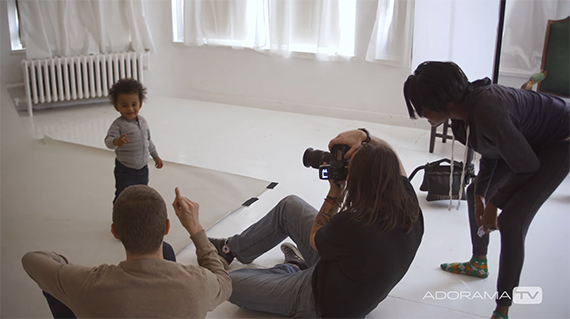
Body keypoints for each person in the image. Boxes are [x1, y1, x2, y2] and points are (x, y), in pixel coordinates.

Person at [403, 61, 570, 319]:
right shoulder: (461, 118)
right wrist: (482, 195)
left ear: (442, 101)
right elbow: (494, 150)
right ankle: (478, 262)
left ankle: (501, 310)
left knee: (512, 220)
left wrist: (494, 204)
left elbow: (526, 166)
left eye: (423, 107)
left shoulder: (487, 109)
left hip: (560, 139)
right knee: (474, 193)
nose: (422, 113)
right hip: (528, 140)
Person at [208, 135, 424, 318]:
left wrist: (334, 192)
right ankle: (232, 248)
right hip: (350, 276)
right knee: (289, 205)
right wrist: (364, 136)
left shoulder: (353, 223)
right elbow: (393, 159)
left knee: (229, 283)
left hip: (322, 301)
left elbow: (315, 238)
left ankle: (291, 268)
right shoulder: (409, 205)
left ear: (360, 182)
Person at [22, 185, 232, 318]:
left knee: (54, 285)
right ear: (166, 227)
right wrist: (195, 229)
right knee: (166, 251)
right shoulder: (198, 283)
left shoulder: (88, 283)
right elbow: (224, 281)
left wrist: (77, 270)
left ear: (115, 231)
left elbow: (31, 259)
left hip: (89, 292)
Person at [104, 78, 163, 203]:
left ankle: (138, 215)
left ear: (140, 104)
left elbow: (148, 142)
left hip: (143, 169)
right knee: (123, 195)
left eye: (134, 104)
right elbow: (108, 141)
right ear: (117, 107)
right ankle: (120, 216)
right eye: (124, 105)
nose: (130, 109)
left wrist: (156, 156)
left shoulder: (143, 122)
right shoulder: (118, 125)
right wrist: (116, 142)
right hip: (125, 169)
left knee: (142, 194)